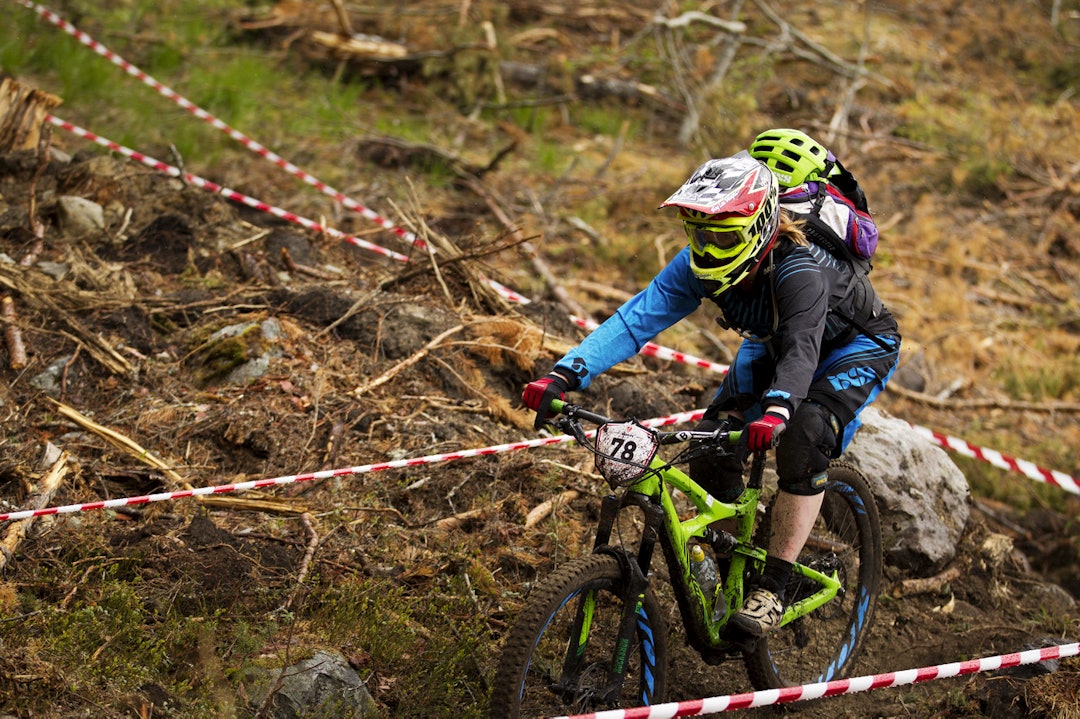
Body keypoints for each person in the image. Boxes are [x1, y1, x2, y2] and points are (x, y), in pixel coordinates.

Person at [521, 142, 900, 639]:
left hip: (853, 346)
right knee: (712, 445)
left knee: (804, 436)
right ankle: (731, 576)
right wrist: (565, 374)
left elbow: (803, 350)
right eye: (698, 234)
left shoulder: (799, 269)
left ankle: (777, 584)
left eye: (721, 237)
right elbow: (637, 319)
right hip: (776, 344)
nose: (707, 249)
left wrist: (778, 410)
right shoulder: (699, 262)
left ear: (760, 227)